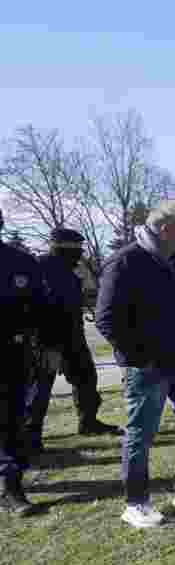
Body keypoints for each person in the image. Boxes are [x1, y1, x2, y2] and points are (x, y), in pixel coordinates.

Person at [96, 199, 175, 528]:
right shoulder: (124, 263)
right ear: (166, 230)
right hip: (148, 367)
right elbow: (106, 320)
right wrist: (141, 358)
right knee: (141, 433)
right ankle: (136, 503)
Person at [25, 228, 121, 457]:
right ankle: (30, 437)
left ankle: (88, 422)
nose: (81, 252)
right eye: (77, 248)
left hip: (72, 336)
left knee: (86, 378)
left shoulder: (70, 270)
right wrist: (42, 340)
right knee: (40, 389)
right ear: (64, 248)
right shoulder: (40, 267)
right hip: (47, 339)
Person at [1, 211, 66, 516]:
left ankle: (11, 485)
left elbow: (43, 308)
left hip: (13, 353)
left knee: (12, 420)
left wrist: (51, 346)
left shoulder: (20, 262)